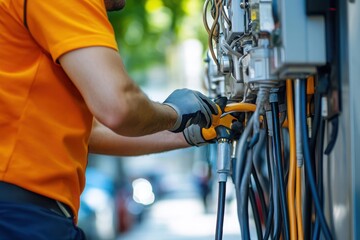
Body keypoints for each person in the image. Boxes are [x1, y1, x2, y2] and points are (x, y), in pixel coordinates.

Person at [0, 0, 219, 239]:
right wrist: (175, 112)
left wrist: (192, 131)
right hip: (20, 217)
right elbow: (119, 106)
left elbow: (92, 131)